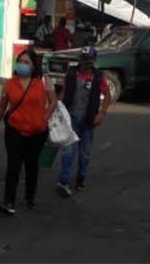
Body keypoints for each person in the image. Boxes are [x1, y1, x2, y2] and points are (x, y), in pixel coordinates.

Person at [0, 49, 57, 215]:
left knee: (31, 165)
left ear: (34, 66)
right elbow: (1, 106)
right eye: (20, 61)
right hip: (15, 130)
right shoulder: (9, 83)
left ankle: (30, 197)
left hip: (37, 132)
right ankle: (9, 201)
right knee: (13, 165)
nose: (22, 65)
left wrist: (44, 118)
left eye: (26, 62)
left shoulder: (43, 81)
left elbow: (53, 101)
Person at [56, 47, 112, 197]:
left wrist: (102, 113)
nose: (85, 64)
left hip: (88, 120)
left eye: (89, 61)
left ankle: (81, 177)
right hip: (70, 119)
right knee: (69, 150)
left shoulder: (98, 77)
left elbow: (107, 95)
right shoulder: (71, 74)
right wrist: (56, 110)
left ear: (93, 62)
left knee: (84, 153)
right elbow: (63, 93)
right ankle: (64, 181)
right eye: (83, 61)